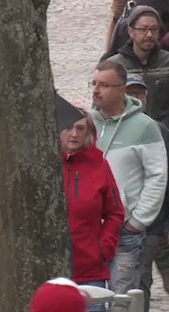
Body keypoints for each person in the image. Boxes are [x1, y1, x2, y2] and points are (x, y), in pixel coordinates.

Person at [89, 60, 169, 297]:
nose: (95, 89)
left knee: (120, 298)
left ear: (121, 90)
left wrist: (138, 220)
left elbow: (157, 176)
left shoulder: (145, 127)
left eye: (103, 85)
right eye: (93, 83)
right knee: (90, 298)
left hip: (125, 229)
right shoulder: (85, 124)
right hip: (89, 226)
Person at [122, 76, 169, 303]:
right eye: (130, 93)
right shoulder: (107, 132)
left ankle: (163, 257)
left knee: (140, 277)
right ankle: (164, 257)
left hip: (151, 222)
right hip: (116, 219)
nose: (135, 99)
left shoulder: (158, 132)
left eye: (140, 94)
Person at [56, 108, 125, 304]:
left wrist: (103, 247)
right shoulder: (45, 165)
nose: (74, 134)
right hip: (50, 268)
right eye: (68, 128)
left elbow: (115, 212)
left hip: (89, 267)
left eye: (80, 128)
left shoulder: (99, 165)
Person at [106, 6, 169, 137]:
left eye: (154, 29)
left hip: (163, 138)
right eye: (143, 30)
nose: (149, 35)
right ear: (131, 32)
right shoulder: (116, 65)